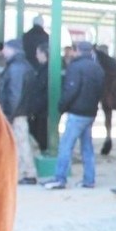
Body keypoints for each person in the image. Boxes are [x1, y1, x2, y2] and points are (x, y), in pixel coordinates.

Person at [43, 41, 105, 190]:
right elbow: (100, 91)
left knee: (65, 146)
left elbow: (71, 90)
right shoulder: (98, 68)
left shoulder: (76, 67)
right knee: (87, 148)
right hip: (90, 113)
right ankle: (89, 180)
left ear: (77, 51)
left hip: (77, 114)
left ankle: (60, 178)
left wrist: (61, 107)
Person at [0, 38, 39, 185]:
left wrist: (8, 115)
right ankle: (22, 173)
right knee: (20, 142)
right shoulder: (20, 65)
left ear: (13, 49)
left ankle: (28, 173)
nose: (3, 51)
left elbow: (15, 94)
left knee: (21, 143)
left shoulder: (16, 68)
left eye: (6, 48)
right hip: (19, 112)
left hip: (15, 114)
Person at [27, 42, 50, 152]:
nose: (36, 56)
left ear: (44, 54)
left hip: (42, 112)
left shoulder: (46, 71)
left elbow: (44, 93)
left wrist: (34, 109)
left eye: (38, 53)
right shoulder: (43, 69)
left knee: (42, 137)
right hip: (41, 110)